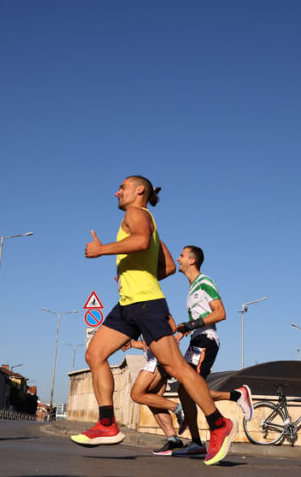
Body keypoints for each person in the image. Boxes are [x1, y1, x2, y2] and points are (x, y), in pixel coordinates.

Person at [71, 175, 236, 466]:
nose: (116, 192)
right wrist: (134, 274)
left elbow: (141, 240)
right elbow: (170, 266)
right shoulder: (147, 220)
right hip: (128, 304)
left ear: (139, 191)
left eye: (121, 188)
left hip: (146, 304)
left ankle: (218, 424)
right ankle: (107, 423)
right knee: (94, 354)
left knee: (176, 367)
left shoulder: (137, 214)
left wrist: (102, 250)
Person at [170, 245, 253, 457]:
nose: (178, 258)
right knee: (184, 390)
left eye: (181, 255)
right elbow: (199, 319)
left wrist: (192, 324)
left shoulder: (205, 282)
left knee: (193, 388)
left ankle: (233, 402)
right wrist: (184, 331)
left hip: (207, 340)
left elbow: (221, 313)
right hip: (196, 340)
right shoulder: (191, 287)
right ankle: (196, 442)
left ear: (191, 261)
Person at [122, 331, 186, 456]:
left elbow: (170, 327)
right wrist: (132, 344)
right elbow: (145, 345)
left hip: (157, 360)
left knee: (136, 394)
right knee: (155, 403)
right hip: (157, 360)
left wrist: (157, 341)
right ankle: (173, 440)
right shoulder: (142, 318)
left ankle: (178, 409)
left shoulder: (150, 314)